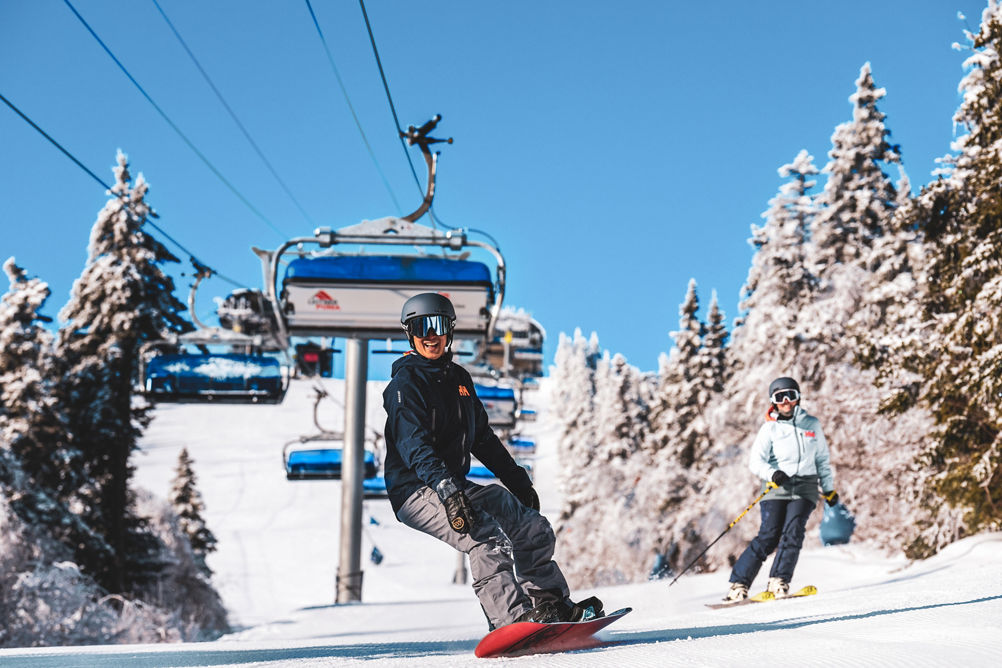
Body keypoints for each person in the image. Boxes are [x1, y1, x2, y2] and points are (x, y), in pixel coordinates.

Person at [382, 292, 601, 630]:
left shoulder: (458, 380)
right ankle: (510, 621)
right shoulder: (406, 383)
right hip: (416, 488)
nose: (430, 335)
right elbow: (413, 444)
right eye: (420, 327)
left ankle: (550, 603)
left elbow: (482, 438)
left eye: (437, 325)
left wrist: (516, 480)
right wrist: (445, 489)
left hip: (453, 485)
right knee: (485, 537)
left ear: (449, 331)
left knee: (530, 525)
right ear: (409, 333)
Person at [723, 377, 839, 602]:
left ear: (798, 398)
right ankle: (739, 585)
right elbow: (755, 462)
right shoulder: (769, 429)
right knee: (769, 535)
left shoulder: (811, 424)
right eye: (780, 397)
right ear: (773, 402)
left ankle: (779, 581)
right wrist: (772, 473)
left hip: (806, 486)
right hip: (777, 486)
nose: (786, 401)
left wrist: (829, 488)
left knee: (794, 532)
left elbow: (822, 459)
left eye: (791, 396)